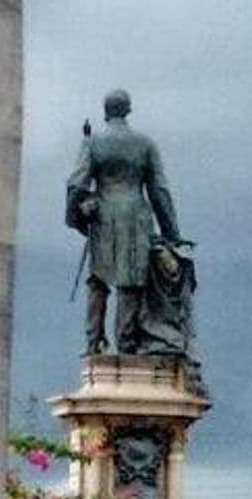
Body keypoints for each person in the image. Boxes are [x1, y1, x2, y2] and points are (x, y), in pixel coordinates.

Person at [66, 89, 188, 356]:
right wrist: (172, 233)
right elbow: (159, 191)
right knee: (130, 283)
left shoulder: (92, 143)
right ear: (128, 110)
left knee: (98, 280)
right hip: (136, 218)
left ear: (105, 111)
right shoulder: (145, 144)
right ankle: (126, 343)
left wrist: (75, 217)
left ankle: (93, 341)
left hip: (103, 218)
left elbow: (76, 183)